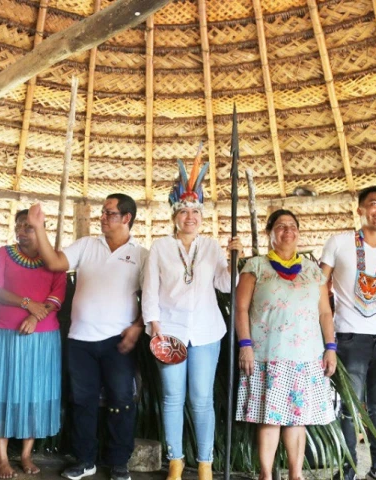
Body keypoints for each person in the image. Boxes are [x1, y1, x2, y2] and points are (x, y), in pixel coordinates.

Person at [26, 193, 147, 480]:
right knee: (83, 401)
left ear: (127, 218)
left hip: (119, 341)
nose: (102, 218)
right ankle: (84, 460)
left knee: (121, 400)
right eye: (103, 213)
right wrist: (38, 227)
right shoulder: (86, 245)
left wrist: (139, 326)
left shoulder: (143, 255)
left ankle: (118, 462)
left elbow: (153, 296)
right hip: (80, 339)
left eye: (110, 213)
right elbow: (55, 262)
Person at [142, 155, 239, 480]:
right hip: (169, 332)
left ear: (202, 216)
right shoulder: (160, 248)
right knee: (172, 399)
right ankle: (175, 461)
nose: (190, 216)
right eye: (183, 211)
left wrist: (234, 258)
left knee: (201, 399)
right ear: (174, 216)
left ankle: (205, 464)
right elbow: (150, 291)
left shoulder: (211, 247)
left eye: (196, 211)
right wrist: (155, 330)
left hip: (206, 332)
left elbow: (225, 285)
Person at [235, 210, 336, 480]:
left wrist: (330, 348)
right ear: (270, 233)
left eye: (292, 226)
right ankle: (266, 475)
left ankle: (295, 474)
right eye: (280, 226)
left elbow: (325, 313)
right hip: (267, 354)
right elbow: (241, 308)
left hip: (306, 355)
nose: (287, 230)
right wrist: (245, 345)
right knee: (270, 417)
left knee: (297, 418)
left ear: (299, 233)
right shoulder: (255, 266)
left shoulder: (313, 271)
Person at [320, 186, 376, 480]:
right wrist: (328, 338)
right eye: (374, 204)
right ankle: (346, 469)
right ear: (359, 210)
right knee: (348, 407)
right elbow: (321, 286)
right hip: (348, 337)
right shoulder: (339, 242)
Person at [0, 209, 67, 478]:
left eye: (29, 227)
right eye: (19, 225)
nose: (21, 231)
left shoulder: (54, 259)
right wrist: (27, 304)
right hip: (9, 334)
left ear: (41, 228)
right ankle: (1, 458)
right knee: (5, 390)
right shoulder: (3, 254)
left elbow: (57, 297)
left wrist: (35, 315)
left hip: (44, 338)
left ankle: (26, 454)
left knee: (36, 393)